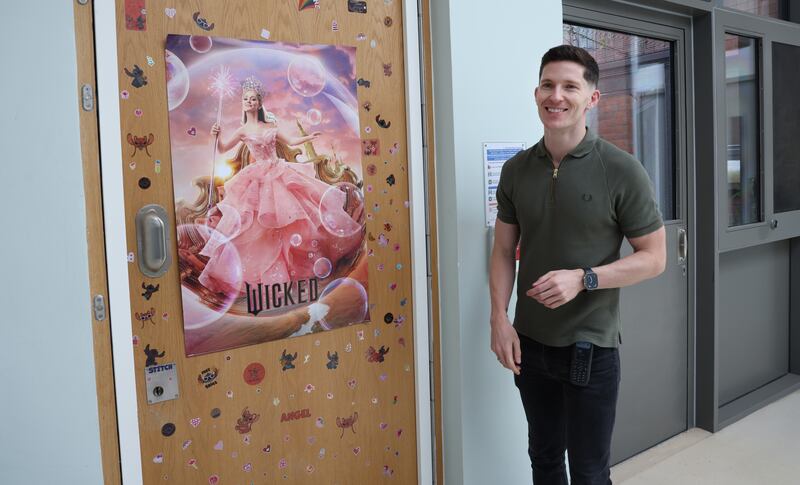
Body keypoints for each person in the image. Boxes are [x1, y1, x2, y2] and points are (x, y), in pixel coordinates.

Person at [489, 45, 667, 484]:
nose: (557, 95)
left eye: (571, 86)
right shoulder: (515, 170)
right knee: (545, 462)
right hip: (529, 346)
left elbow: (655, 258)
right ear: (536, 94)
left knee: (589, 473)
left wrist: (585, 278)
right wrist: (499, 318)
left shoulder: (621, 169)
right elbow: (501, 251)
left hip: (590, 349)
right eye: (548, 85)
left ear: (592, 98)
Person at [198, 76, 363, 296]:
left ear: (259, 103)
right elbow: (222, 149)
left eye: (253, 99)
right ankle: (268, 275)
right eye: (246, 99)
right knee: (257, 224)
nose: (249, 102)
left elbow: (290, 142)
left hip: (279, 171)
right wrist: (216, 137)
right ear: (243, 103)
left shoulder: (270, 125)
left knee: (296, 217)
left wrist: (308, 138)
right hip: (258, 177)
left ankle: (302, 263)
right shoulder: (242, 131)